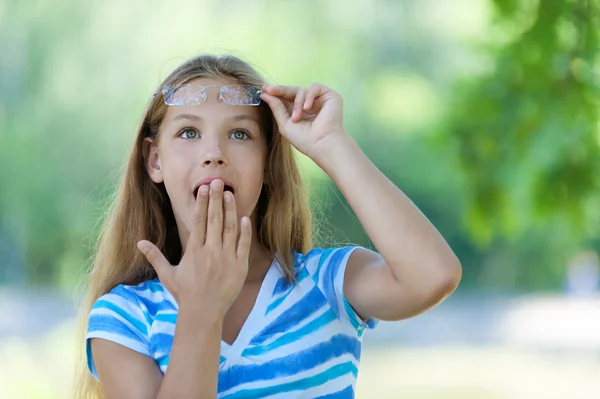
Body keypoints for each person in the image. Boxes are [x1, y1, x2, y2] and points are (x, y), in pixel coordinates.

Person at [72, 53, 462, 399]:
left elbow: (433, 276)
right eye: (189, 132)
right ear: (154, 160)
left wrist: (331, 143)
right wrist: (201, 309)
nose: (214, 154)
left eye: (239, 134)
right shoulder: (125, 317)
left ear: (267, 162)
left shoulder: (326, 284)